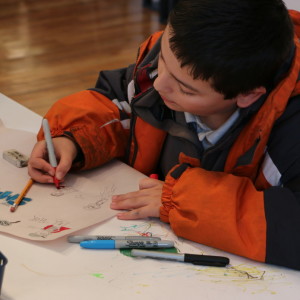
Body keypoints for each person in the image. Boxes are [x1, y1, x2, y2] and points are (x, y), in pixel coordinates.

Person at [28, 0, 300, 270]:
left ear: (248, 95)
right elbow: (117, 102)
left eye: (186, 89)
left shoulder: (290, 132)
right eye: (163, 60)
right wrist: (72, 138)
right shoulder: (168, 69)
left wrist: (181, 200)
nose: (159, 84)